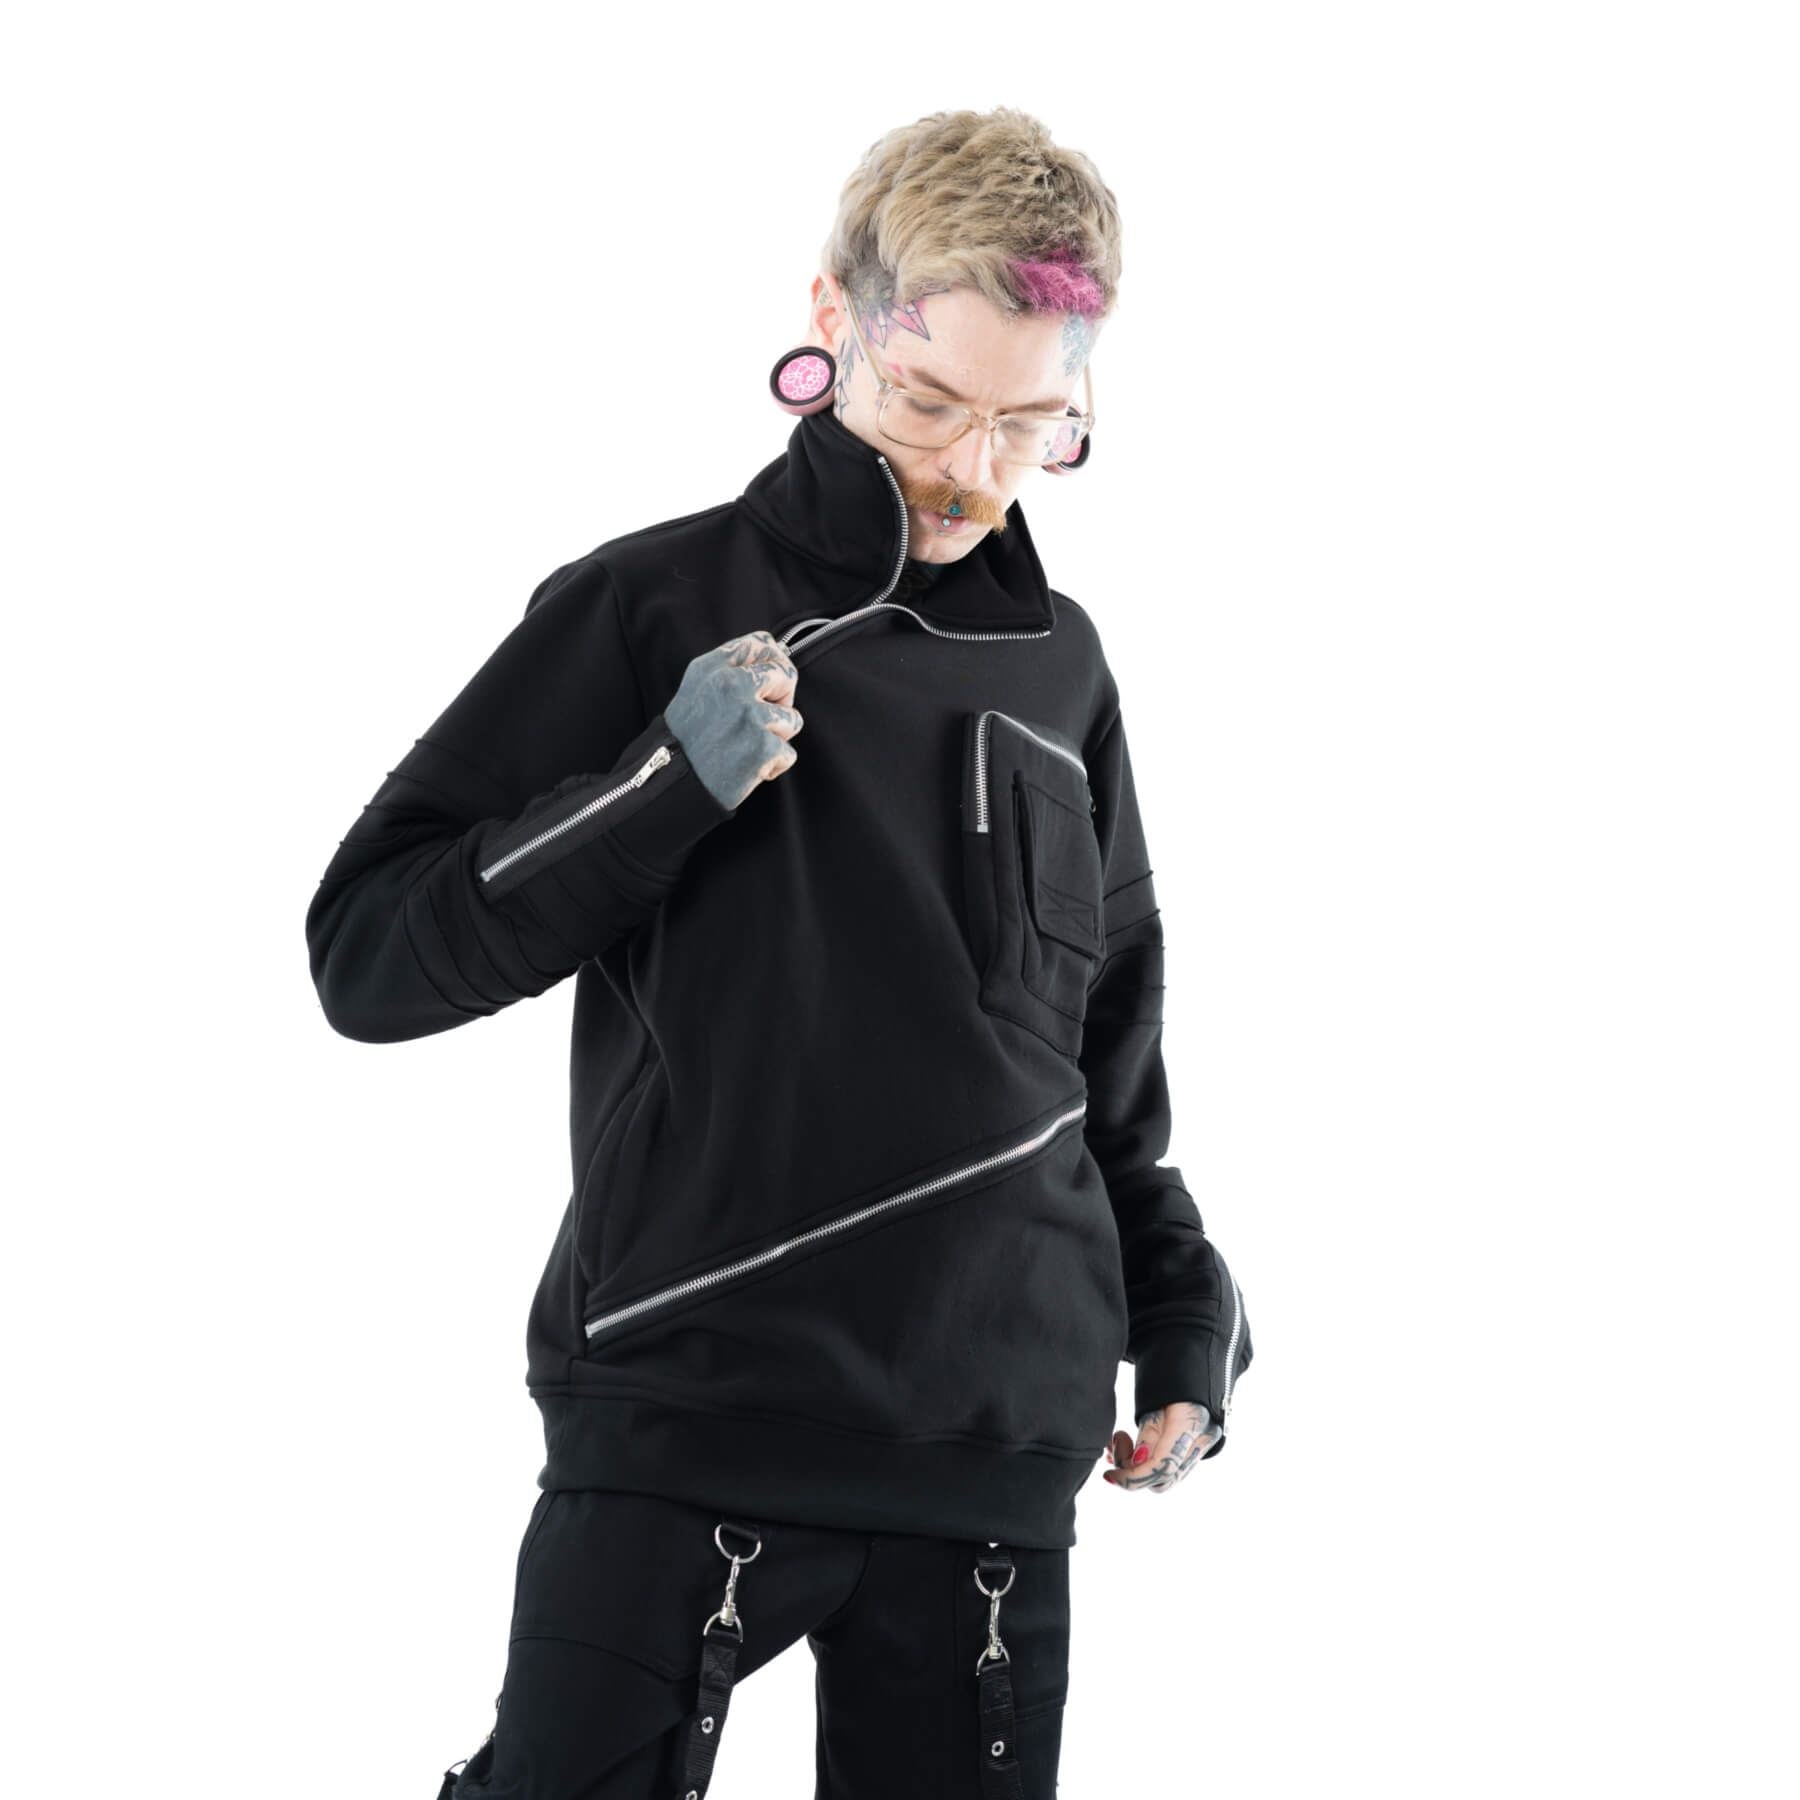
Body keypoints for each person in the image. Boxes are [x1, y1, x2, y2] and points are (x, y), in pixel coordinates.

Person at [305, 105, 1253, 1800]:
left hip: (992, 1459)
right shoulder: (653, 604)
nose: (972, 472)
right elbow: (369, 957)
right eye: (930, 400)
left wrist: (1187, 1326)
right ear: (833, 319)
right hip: (688, 1414)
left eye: (1031, 424)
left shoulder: (1064, 667)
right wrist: (662, 787)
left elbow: (1104, 1071)